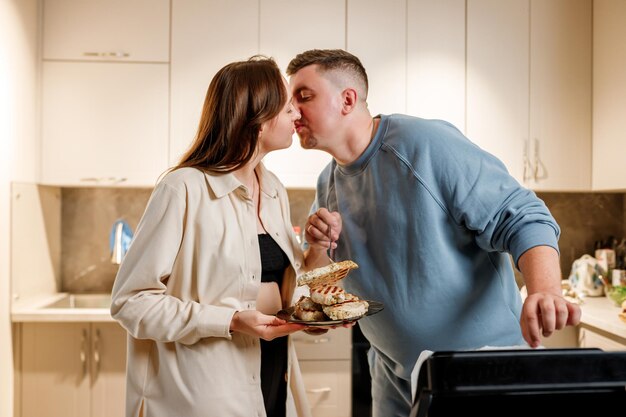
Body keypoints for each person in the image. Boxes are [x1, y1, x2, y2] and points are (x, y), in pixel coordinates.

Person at [286, 49, 582, 417]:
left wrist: (547, 290)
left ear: (347, 100)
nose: (293, 111)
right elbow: (319, 283)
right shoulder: (328, 183)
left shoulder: (424, 145)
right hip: (395, 376)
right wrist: (317, 247)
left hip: (480, 370)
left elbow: (523, 216)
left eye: (304, 96)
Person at [110, 56, 314, 417]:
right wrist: (230, 320)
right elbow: (131, 302)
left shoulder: (274, 190)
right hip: (203, 394)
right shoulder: (183, 189)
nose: (297, 115)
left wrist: (314, 312)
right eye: (286, 109)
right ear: (258, 121)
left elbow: (284, 289)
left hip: (271, 377)